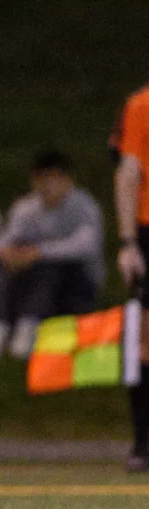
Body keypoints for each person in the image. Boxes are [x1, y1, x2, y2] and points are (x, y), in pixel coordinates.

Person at [0, 150, 104, 359]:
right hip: (32, 278)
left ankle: (28, 326)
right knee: (6, 264)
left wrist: (39, 253)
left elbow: (86, 245)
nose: (47, 186)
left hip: (77, 284)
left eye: (53, 179)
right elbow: (2, 239)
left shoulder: (84, 207)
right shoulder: (26, 208)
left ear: (68, 181)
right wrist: (8, 253)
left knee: (50, 265)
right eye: (41, 179)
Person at [115, 83, 149, 473]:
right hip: (147, 228)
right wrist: (128, 243)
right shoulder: (141, 105)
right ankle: (143, 441)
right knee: (144, 342)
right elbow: (128, 172)